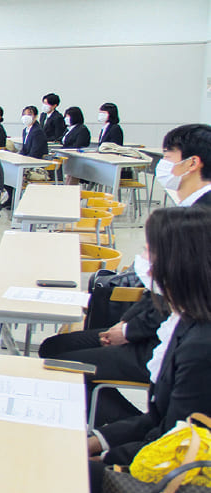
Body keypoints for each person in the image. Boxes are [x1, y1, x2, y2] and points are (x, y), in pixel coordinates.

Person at [41, 124, 211, 424]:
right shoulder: (188, 207)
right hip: (152, 323)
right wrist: (125, 323)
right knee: (54, 348)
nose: (162, 165)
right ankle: (125, 430)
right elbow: (157, 291)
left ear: (192, 163)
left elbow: (183, 296)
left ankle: (125, 431)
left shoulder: (200, 217)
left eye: (168, 156)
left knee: (60, 363)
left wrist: (130, 330)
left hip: (166, 337)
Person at [88, 207, 211, 493]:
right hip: (164, 458)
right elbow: (157, 420)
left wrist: (103, 459)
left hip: (178, 489)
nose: (143, 262)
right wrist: (96, 440)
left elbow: (171, 442)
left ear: (177, 264)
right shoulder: (186, 319)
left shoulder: (200, 347)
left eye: (149, 252)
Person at [156, 123, 211, 207]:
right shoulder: (193, 204)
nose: (163, 163)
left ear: (192, 163)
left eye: (167, 156)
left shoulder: (200, 212)